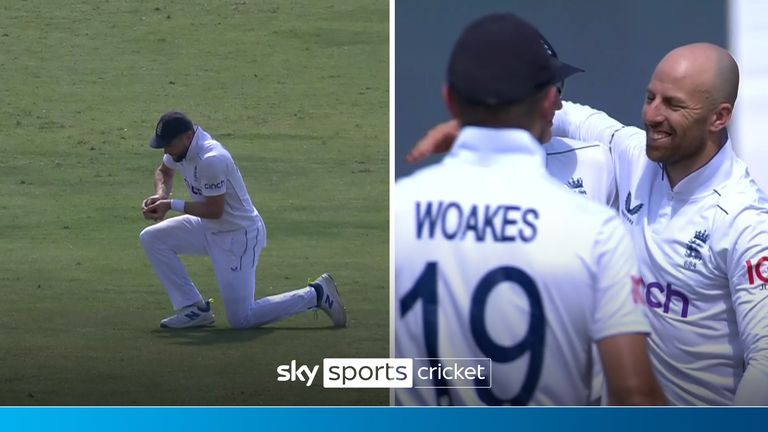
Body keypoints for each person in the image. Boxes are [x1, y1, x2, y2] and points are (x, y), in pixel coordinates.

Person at [395, 13, 665, 406]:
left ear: (449, 101)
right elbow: (635, 397)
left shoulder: (400, 211)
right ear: (549, 102)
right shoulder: (596, 232)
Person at [550, 43, 768, 405]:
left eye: (673, 105)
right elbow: (568, 115)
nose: (651, 115)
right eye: (650, 97)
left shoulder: (747, 223)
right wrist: (481, 125)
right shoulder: (638, 155)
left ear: (719, 117)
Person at [139, 112, 347, 329]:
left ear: (188, 137)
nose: (166, 151)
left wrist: (170, 205)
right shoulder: (180, 151)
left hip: (237, 236)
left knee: (241, 319)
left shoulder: (212, 159)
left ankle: (316, 294)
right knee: (152, 238)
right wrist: (161, 195)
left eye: (168, 145)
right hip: (207, 227)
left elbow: (214, 210)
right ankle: (194, 309)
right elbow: (164, 172)